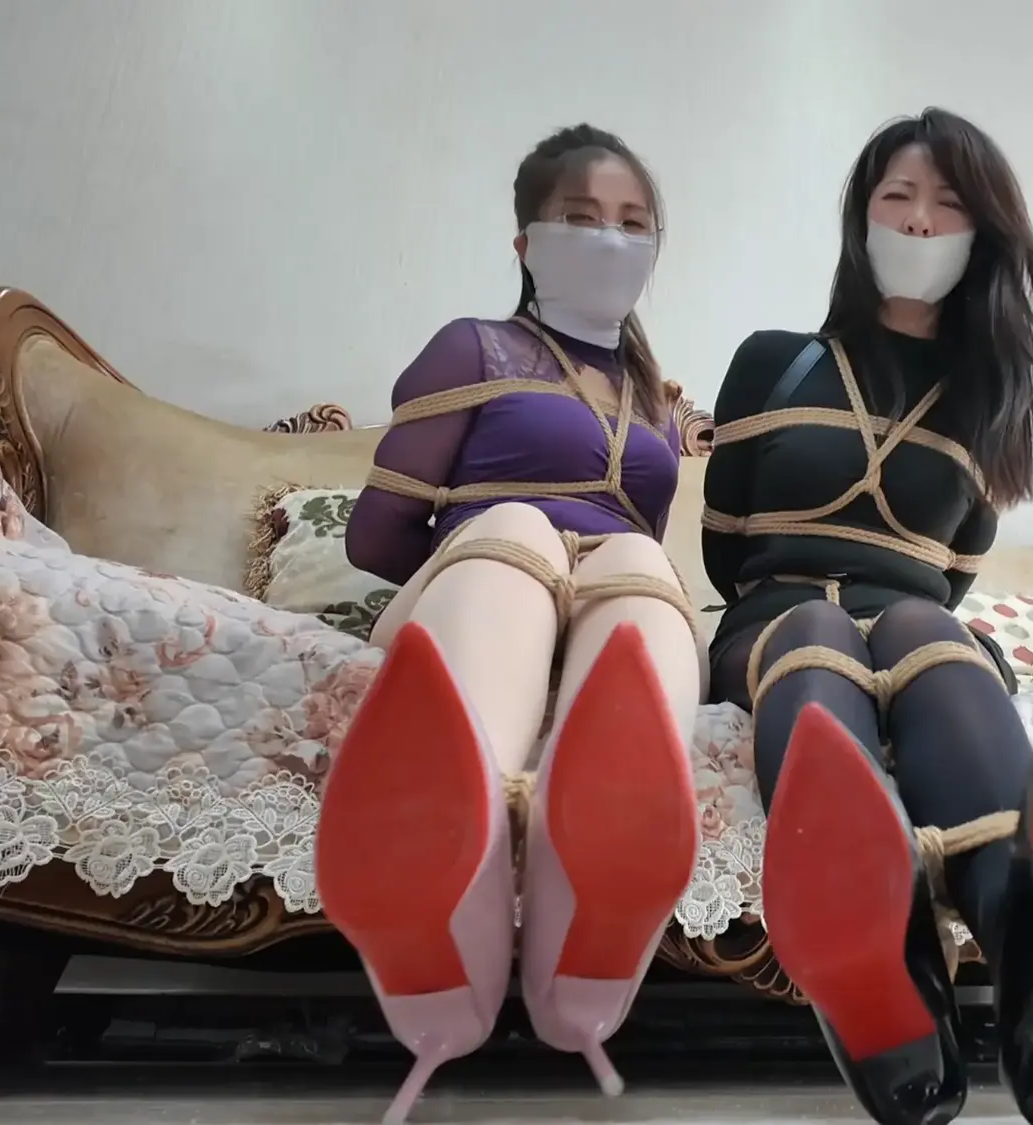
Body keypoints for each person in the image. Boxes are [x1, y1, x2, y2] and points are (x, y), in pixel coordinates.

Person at [701, 109, 1033, 1125]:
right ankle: (893, 976)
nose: (920, 222)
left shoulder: (988, 403)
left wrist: (892, 616)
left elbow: (950, 580)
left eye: (947, 204)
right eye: (898, 197)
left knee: (930, 630)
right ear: (861, 218)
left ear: (984, 235)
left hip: (917, 621)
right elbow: (724, 547)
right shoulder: (772, 362)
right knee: (816, 635)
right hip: (780, 615)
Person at [317, 124, 700, 1123]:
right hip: (480, 580)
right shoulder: (472, 348)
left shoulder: (655, 402)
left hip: (608, 602)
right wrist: (512, 561)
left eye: (633, 223)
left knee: (637, 562)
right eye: (582, 217)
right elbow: (375, 535)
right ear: (526, 242)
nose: (610, 238)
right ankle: (460, 839)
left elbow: (641, 537)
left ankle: (587, 924)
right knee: (520, 528)